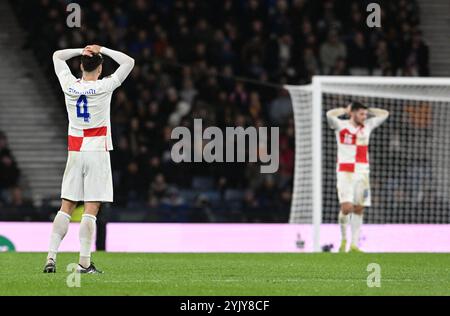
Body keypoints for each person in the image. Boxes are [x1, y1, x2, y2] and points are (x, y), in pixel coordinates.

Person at [43, 45, 134, 273]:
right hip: (97, 151)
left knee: (66, 207)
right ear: (100, 68)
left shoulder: (69, 85)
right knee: (91, 209)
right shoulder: (104, 86)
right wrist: (100, 48)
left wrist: (81, 50)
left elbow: (56, 55)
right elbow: (128, 62)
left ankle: (51, 258)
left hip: (75, 150)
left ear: (81, 66)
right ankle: (84, 262)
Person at [326, 102, 389, 252]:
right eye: (361, 114)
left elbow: (385, 114)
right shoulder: (341, 126)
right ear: (352, 113)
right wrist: (344, 110)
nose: (364, 116)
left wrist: (369, 109)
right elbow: (329, 115)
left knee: (359, 208)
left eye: (365, 114)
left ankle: (354, 245)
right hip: (345, 172)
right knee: (347, 208)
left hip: (362, 172)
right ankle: (343, 240)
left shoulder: (367, 126)